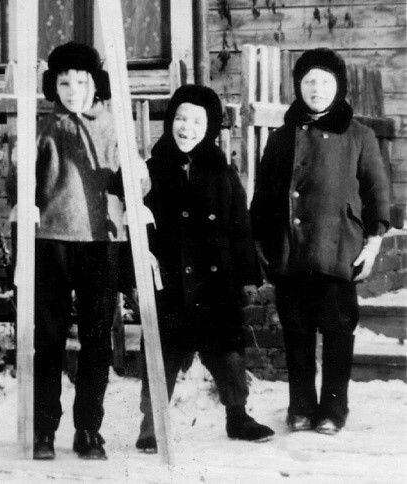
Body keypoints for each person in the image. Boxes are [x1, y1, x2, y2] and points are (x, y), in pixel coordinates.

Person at [251, 48, 389, 435]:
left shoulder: (359, 136)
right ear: (298, 87)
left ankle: (333, 407)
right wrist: (262, 243)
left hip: (339, 249)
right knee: (296, 329)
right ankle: (300, 405)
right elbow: (263, 196)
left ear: (339, 87)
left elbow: (377, 193)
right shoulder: (282, 137)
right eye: (309, 81)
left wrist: (373, 244)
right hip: (291, 250)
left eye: (325, 82)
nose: (316, 89)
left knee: (337, 329)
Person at [9, 41, 135, 461]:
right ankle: (44, 428)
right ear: (54, 87)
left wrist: (133, 179)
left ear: (95, 84)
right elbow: (21, 186)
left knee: (97, 340)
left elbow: (138, 182)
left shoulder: (115, 126)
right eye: (65, 83)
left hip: (102, 242)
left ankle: (88, 429)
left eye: (82, 82)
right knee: (49, 339)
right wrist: (20, 173)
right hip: (52, 242)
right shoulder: (43, 128)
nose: (73, 91)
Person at [135, 85, 275, 453]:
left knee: (227, 351)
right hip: (168, 283)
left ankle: (237, 414)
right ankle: (151, 424)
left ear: (210, 127)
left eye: (197, 121)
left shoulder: (222, 173)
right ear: (170, 121)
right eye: (180, 118)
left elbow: (240, 227)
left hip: (215, 283)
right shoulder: (151, 170)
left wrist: (247, 278)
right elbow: (131, 221)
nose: (187, 128)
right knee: (161, 354)